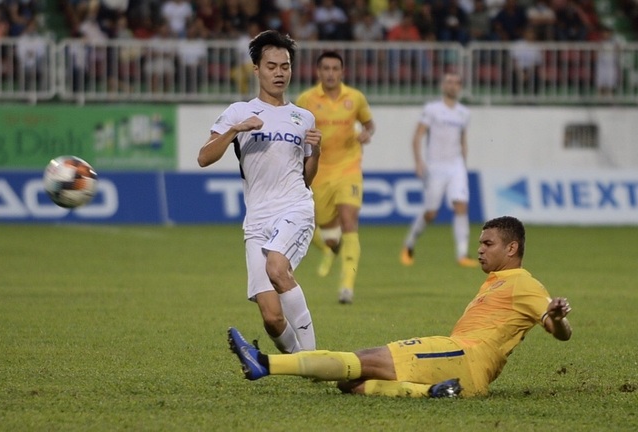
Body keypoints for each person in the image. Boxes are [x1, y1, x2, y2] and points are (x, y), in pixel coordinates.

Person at [228, 216, 573, 398]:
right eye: (479, 243)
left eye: (487, 243)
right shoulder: (496, 282)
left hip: (464, 357)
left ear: (512, 248)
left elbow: (560, 332)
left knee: (362, 358)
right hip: (459, 364)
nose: (480, 250)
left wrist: (556, 318)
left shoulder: (524, 284)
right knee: (352, 384)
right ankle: (434, 393)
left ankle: (266, 364)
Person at [198, 30, 322, 354]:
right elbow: (204, 157)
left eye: (285, 66)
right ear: (256, 69)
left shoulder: (303, 117)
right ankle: (298, 360)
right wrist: (235, 130)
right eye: (272, 66)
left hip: (295, 206)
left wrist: (317, 153)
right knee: (271, 317)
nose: (279, 73)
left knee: (277, 268)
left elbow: (307, 178)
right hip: (257, 220)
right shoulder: (239, 112)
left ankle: (313, 358)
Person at [295, 51, 375, 305]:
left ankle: (346, 287)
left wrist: (366, 133)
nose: (330, 73)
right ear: (319, 72)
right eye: (326, 69)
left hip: (349, 168)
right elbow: (294, 132)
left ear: (342, 72)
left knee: (349, 221)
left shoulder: (355, 98)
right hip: (318, 170)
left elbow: (369, 123)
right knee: (313, 226)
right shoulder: (306, 99)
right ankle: (331, 246)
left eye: (335, 69)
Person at [400, 72, 478, 268]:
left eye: (456, 82)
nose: (452, 85)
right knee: (430, 213)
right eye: (449, 82)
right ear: (443, 85)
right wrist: (419, 162)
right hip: (435, 166)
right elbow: (418, 136)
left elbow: (463, 140)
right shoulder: (432, 109)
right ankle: (409, 244)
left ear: (460, 87)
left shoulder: (463, 113)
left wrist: (463, 164)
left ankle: (462, 254)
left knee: (461, 205)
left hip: (456, 165)